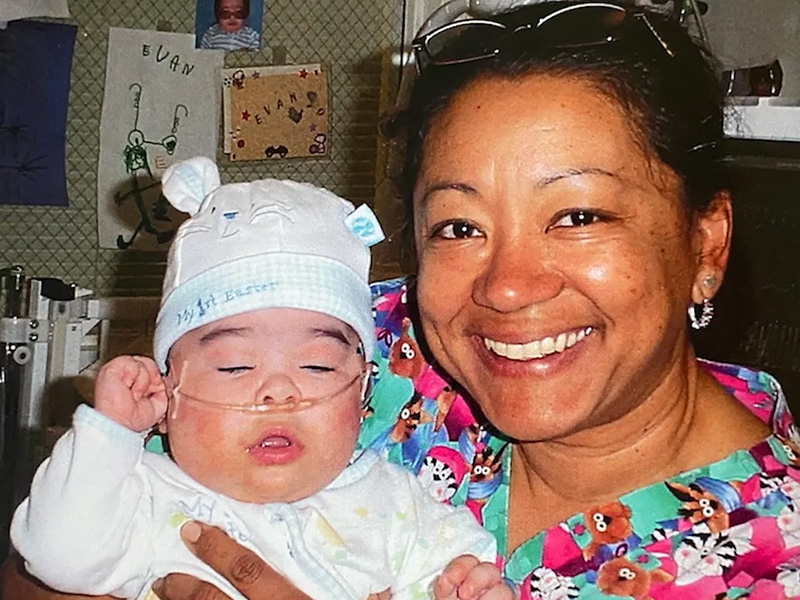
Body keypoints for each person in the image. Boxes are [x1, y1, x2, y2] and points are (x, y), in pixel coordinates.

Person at [6, 1, 800, 599]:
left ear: (706, 244)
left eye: (579, 215)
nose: (508, 286)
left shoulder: (772, 557)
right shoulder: (364, 347)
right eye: (459, 225)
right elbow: (51, 556)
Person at [7, 157, 506, 600]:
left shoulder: (396, 506)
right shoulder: (144, 495)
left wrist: (466, 587)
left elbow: (466, 563)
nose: (279, 392)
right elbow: (57, 555)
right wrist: (110, 436)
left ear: (363, 392)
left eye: (317, 365)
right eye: (234, 367)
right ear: (166, 396)